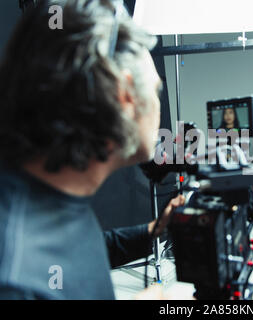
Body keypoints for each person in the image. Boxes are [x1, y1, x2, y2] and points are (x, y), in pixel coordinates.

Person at [0, 0, 184, 299]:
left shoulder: (48, 198)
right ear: (125, 95)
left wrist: (154, 230)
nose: (157, 106)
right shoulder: (16, 278)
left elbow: (80, 248)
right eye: (155, 90)